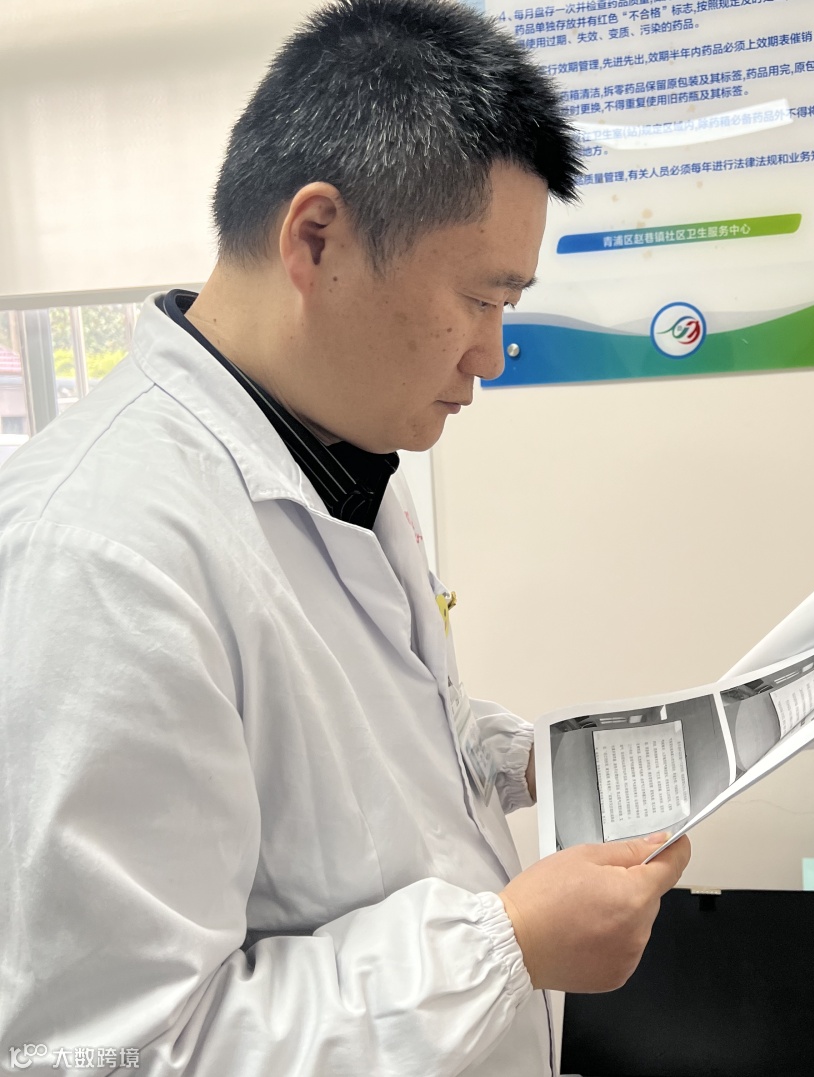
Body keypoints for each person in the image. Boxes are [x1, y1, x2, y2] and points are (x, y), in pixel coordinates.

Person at [0, 1, 691, 1074]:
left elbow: (343, 744)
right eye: (482, 299)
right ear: (317, 239)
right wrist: (503, 949)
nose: (491, 355)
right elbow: (110, 1053)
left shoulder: (331, 447)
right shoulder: (96, 557)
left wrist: (520, 759)